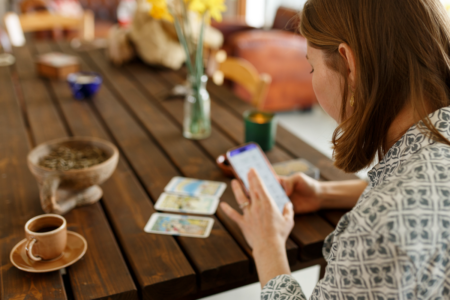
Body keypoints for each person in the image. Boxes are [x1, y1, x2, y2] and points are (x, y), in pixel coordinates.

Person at [220, 0, 450, 299]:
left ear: (348, 64)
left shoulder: (378, 227)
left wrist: (267, 245)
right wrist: (323, 193)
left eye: (312, 66)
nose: (312, 76)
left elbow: (395, 210)